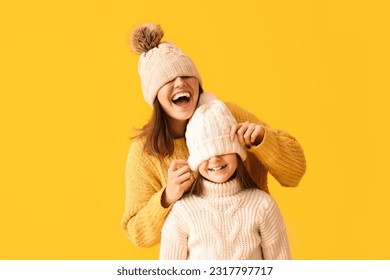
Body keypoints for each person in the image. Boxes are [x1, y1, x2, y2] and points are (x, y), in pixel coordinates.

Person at [120, 23, 306, 248]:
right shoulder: (144, 153)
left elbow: (295, 173)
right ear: (154, 95)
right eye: (168, 79)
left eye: (186, 74)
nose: (180, 82)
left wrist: (264, 141)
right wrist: (167, 196)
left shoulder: (229, 115)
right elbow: (138, 234)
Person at [159, 99, 290, 259]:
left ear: (236, 151)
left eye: (223, 149)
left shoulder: (262, 205)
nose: (214, 159)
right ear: (195, 161)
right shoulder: (183, 211)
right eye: (205, 154)